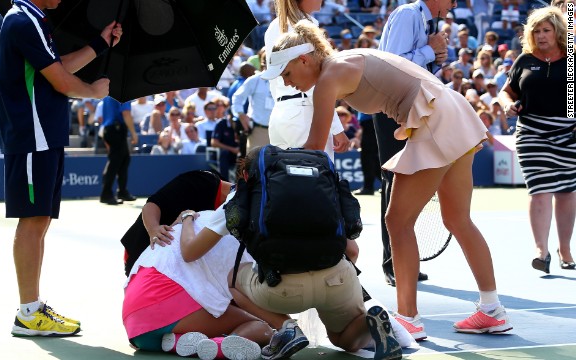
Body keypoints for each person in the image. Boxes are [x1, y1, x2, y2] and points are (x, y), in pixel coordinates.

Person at [261, 20, 513, 341]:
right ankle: (492, 310)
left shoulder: (329, 78)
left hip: (435, 117)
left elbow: (313, 150)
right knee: (457, 219)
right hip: (452, 110)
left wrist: (270, 171)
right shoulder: (342, 63)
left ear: (304, 60)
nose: (286, 82)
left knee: (397, 220)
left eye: (286, 73)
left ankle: (409, 318)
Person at [194, 148, 402, 360]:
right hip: (338, 279)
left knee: (232, 279)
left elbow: (190, 252)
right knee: (342, 340)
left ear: (246, 175)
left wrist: (186, 219)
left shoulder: (239, 198)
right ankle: (370, 320)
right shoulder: (325, 190)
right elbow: (352, 250)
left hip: (281, 289)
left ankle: (286, 328)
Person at [0, 0, 121, 336]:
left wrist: (100, 43)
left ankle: (32, 308)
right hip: (31, 136)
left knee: (39, 219)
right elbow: (62, 81)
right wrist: (93, 92)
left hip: (42, 136)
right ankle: (27, 312)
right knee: (33, 219)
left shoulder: (33, 19)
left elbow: (56, 66)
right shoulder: (24, 21)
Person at [373, 0, 452, 287]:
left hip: (409, 108)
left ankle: (403, 259)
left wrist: (436, 57)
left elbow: (414, 67)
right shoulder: (409, 15)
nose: (455, 3)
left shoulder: (423, 19)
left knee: (406, 182)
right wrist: (431, 50)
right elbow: (392, 65)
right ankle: (392, 262)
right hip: (394, 108)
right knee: (395, 181)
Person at [123, 208, 272, 359]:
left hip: (138, 331)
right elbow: (241, 292)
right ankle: (221, 344)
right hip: (170, 308)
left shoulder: (197, 221)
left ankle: (178, 341)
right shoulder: (234, 235)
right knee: (262, 327)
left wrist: (187, 217)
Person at [499, 7, 575, 273]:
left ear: (558, 32)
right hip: (531, 132)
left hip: (569, 133)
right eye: (536, 31)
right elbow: (506, 92)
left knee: (566, 192)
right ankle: (541, 252)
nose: (541, 36)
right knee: (540, 189)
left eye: (546, 30)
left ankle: (564, 249)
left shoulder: (572, 61)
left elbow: (573, 102)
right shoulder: (525, 59)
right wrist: (508, 105)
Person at [264, 0, 349, 163]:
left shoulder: (275, 26)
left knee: (284, 181)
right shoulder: (302, 27)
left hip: (280, 114)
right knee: (316, 179)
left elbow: (276, 79)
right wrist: (336, 128)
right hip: (304, 113)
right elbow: (315, 83)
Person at [120, 170, 233, 277]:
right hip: (141, 251)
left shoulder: (229, 207)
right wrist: (153, 229)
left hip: (174, 267)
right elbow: (152, 204)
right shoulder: (197, 182)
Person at [100, 96, 138, 205]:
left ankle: (122, 191)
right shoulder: (122, 93)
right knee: (114, 162)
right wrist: (134, 133)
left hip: (112, 129)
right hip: (115, 129)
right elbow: (126, 113)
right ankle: (106, 194)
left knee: (124, 159)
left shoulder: (110, 93)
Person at [231, 59, 273, 153]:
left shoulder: (284, 79)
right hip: (258, 130)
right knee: (254, 165)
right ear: (263, 63)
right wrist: (241, 115)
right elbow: (237, 98)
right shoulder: (255, 80)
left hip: (280, 132)